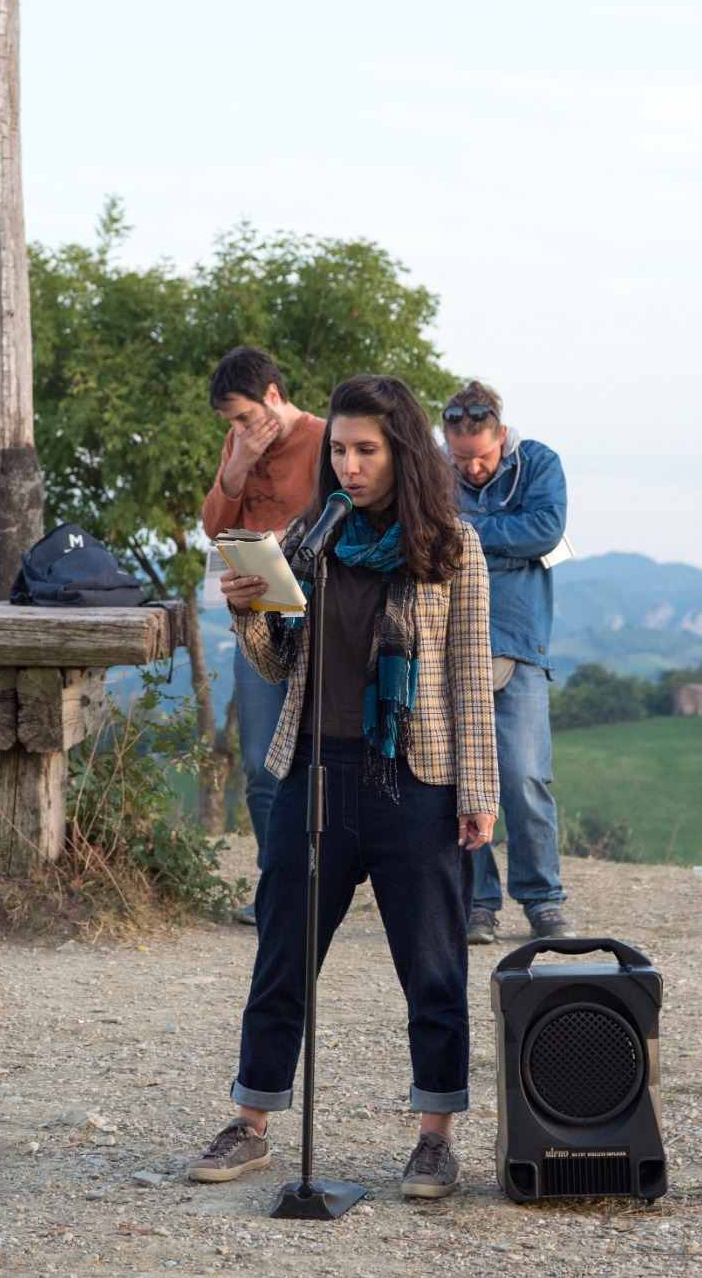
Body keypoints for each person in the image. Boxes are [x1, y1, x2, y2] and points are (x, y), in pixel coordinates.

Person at [188, 374, 498, 1199]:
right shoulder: (307, 537)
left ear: (403, 452)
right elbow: (279, 663)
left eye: (367, 450)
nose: (350, 466)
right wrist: (248, 612)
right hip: (313, 771)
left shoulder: (452, 547)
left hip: (415, 779)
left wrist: (478, 790)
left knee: (433, 967)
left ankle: (435, 1136)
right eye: (340, 450)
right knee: (281, 955)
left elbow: (470, 675)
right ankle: (251, 1122)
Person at [442, 381, 574, 944]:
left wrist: (467, 533)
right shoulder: (435, 468)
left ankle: (543, 900)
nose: (471, 469)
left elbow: (546, 529)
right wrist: (502, 544)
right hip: (449, 642)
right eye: (460, 458)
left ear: (502, 436)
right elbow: (423, 537)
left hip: (518, 641)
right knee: (458, 781)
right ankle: (477, 903)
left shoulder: (539, 462)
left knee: (523, 777)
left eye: (481, 457)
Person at [201, 347, 325, 921]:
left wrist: (281, 537)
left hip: (318, 621)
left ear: (273, 396)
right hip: (255, 620)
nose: (240, 429)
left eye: (245, 417)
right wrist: (237, 462)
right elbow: (214, 526)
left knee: (321, 757)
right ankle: (279, 886)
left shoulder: (327, 440)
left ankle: (324, 884)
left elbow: (340, 513)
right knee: (258, 763)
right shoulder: (239, 447)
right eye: (231, 422)